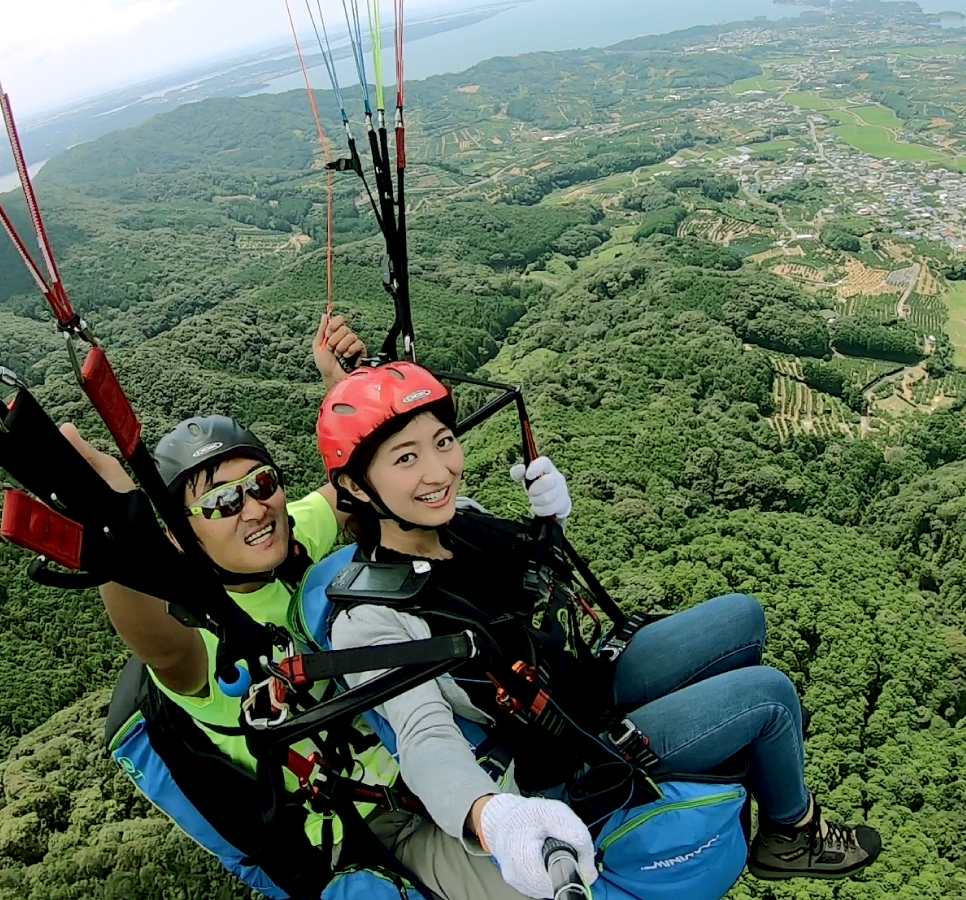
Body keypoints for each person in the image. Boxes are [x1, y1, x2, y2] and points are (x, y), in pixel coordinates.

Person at [318, 362, 883, 899]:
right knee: (773, 697)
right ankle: (792, 832)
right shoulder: (370, 620)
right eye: (405, 458)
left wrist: (553, 520)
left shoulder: (457, 519)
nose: (438, 471)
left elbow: (524, 580)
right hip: (565, 754)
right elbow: (423, 736)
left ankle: (739, 746)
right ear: (359, 487)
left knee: (743, 616)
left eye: (443, 442)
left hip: (578, 686)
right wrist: (491, 816)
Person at [65, 314, 562, 900]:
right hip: (377, 823)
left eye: (261, 483)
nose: (253, 509)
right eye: (221, 503)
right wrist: (111, 531)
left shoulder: (293, 534)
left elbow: (359, 478)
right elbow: (150, 634)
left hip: (437, 737)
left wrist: (345, 389)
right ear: (181, 537)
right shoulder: (200, 646)